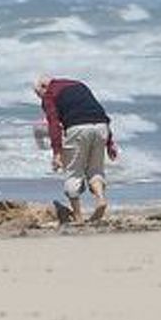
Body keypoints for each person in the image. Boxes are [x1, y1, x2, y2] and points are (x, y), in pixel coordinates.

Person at [35, 75, 117, 225]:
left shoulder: (49, 94)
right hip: (101, 127)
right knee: (96, 170)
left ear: (43, 87)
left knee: (73, 172)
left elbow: (54, 124)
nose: (40, 98)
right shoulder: (79, 85)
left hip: (78, 129)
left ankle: (78, 217)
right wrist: (110, 143)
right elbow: (99, 111)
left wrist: (57, 153)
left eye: (38, 94)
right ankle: (100, 199)